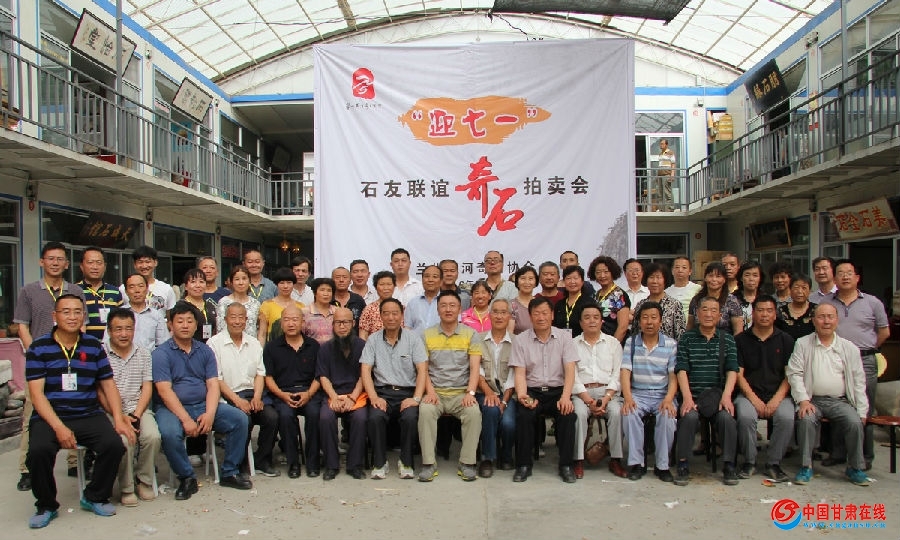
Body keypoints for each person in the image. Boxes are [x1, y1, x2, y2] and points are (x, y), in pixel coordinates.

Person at [24, 294, 131, 528]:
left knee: (114, 445)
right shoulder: (39, 347)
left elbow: (108, 384)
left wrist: (118, 417)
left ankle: (95, 496)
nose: (72, 317)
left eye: (77, 312)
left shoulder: (93, 346)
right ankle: (46, 505)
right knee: (39, 451)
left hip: (87, 413)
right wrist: (59, 428)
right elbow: (37, 395)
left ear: (83, 316)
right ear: (55, 316)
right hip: (51, 416)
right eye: (66, 312)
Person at [153, 302, 252, 499]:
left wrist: (210, 413)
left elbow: (213, 385)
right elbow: (164, 391)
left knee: (240, 419)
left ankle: (229, 472)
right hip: (172, 409)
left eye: (190, 321)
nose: (185, 325)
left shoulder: (205, 351)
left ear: (196, 325)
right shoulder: (161, 354)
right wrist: (185, 419)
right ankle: (187, 477)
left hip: (203, 405)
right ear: (170, 325)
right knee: (170, 433)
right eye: (180, 321)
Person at [13, 242, 87, 491]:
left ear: (66, 264)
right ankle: (27, 468)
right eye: (51, 258)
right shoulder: (29, 291)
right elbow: (22, 325)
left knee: (74, 408)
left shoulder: (75, 290)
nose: (55, 263)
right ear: (42, 262)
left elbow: (82, 324)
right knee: (32, 413)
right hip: (41, 363)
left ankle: (74, 461)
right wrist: (36, 352)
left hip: (70, 361)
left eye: (60, 259)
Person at [786, 303, 870, 487]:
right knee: (806, 420)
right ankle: (806, 466)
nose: (826, 321)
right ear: (813, 320)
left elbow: (859, 381)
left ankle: (855, 467)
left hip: (840, 401)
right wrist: (803, 400)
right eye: (821, 317)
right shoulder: (803, 343)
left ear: (837, 320)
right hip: (812, 400)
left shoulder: (849, 348)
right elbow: (794, 374)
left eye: (830, 317)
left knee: (855, 422)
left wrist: (862, 410)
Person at [823, 259, 889, 471]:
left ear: (857, 277)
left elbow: (884, 332)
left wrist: (867, 348)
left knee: (864, 407)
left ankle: (864, 455)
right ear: (834, 278)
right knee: (837, 405)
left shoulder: (872, 302)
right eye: (840, 273)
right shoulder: (827, 303)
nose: (845, 276)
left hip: (864, 359)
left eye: (849, 273)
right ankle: (838, 452)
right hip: (835, 359)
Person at [510, 297, 579, 483]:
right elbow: (519, 373)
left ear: (552, 315)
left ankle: (566, 465)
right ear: (530, 316)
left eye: (545, 313)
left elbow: (570, 370)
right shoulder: (520, 340)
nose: (541, 317)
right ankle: (523, 465)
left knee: (568, 415)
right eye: (536, 314)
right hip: (532, 390)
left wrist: (566, 397)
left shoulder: (564, 337)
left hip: (558, 391)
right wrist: (523, 395)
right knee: (524, 415)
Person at [673, 297, 740, 487]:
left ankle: (729, 465)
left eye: (713, 310)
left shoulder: (727, 339)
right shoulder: (687, 338)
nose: (709, 314)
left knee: (726, 418)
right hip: (693, 396)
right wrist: (687, 398)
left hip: (717, 397)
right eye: (704, 309)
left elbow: (732, 369)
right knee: (689, 417)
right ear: (697, 313)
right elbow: (681, 369)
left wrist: (726, 397)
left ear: (720, 315)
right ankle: (683, 464)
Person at [417, 290, 483, 482]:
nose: (448, 309)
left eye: (452, 305)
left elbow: (475, 368)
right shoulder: (426, 335)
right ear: (437, 310)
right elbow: (423, 369)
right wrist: (430, 392)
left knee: (473, 413)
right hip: (435, 392)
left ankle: (467, 463)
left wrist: (470, 392)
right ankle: (429, 464)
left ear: (460, 309)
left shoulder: (471, 334)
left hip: (461, 393)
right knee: (426, 411)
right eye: (443, 305)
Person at [360, 298, 429, 479]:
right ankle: (379, 463)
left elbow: (422, 369)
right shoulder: (373, 339)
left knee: (410, 418)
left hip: (407, 392)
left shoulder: (413, 338)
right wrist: (374, 397)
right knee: (375, 417)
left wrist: (416, 398)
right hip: (382, 392)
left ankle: (406, 462)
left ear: (401, 315)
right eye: (386, 313)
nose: (391, 317)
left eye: (395, 313)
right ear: (381, 316)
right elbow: (365, 370)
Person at [207, 302, 279, 477]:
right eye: (233, 317)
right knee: (243, 419)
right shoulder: (214, 343)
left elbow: (260, 374)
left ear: (247, 320)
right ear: (225, 320)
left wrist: (257, 397)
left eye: (241, 317)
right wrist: (237, 401)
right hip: (228, 396)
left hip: (252, 393)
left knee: (272, 417)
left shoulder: (253, 343)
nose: (237, 321)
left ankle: (262, 459)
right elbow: (216, 378)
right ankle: (239, 462)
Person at [734, 296, 795, 483]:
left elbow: (789, 376)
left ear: (775, 315)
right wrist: (754, 399)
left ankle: (773, 463)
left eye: (769, 311)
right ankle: (750, 461)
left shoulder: (785, 340)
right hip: (748, 394)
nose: (764, 315)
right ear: (753, 314)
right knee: (745, 416)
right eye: (760, 310)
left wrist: (776, 400)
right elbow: (738, 375)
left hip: (778, 394)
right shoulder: (741, 340)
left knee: (787, 417)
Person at [103, 308, 160, 505]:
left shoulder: (143, 353)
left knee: (152, 436)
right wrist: (119, 415)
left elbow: (147, 386)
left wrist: (136, 414)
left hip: (138, 408)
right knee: (124, 440)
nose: (124, 334)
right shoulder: (101, 355)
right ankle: (126, 488)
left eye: (128, 329)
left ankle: (143, 480)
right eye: (118, 329)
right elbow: (100, 392)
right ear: (109, 331)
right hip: (111, 411)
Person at [621, 302, 678, 482]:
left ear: (660, 321)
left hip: (662, 394)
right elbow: (625, 372)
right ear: (639, 321)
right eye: (645, 318)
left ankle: (662, 466)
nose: (649, 322)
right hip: (638, 393)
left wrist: (668, 399)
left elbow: (673, 377)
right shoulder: (631, 343)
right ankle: (637, 463)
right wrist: (628, 397)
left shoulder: (670, 344)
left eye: (654, 317)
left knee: (667, 416)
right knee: (629, 413)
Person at [263, 306, 322, 478]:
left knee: (314, 414)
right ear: (281, 323)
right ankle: (293, 462)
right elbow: (268, 378)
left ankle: (313, 462)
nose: (291, 323)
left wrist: (308, 394)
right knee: (285, 416)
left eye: (295, 319)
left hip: (309, 392)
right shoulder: (271, 347)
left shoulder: (313, 346)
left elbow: (320, 376)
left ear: (302, 322)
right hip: (283, 393)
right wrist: (282, 395)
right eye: (287, 320)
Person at [572, 303, 626, 479]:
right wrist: (588, 401)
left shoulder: (613, 343)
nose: (592, 321)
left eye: (596, 317)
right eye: (587, 318)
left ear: (602, 321)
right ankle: (578, 460)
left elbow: (617, 374)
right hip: (582, 393)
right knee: (579, 414)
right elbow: (572, 377)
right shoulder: (572, 344)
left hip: (608, 393)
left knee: (617, 413)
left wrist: (607, 398)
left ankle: (615, 459)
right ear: (581, 323)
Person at [316, 308, 367, 480]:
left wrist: (352, 397)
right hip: (333, 394)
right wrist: (334, 397)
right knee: (325, 418)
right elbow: (323, 376)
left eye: (346, 322)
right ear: (333, 325)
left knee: (360, 418)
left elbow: (364, 375)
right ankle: (331, 465)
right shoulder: (325, 348)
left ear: (353, 324)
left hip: (356, 395)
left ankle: (355, 465)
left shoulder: (362, 346)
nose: (342, 326)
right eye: (338, 322)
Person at [474, 299, 517, 476]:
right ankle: (487, 458)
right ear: (489, 315)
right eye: (495, 312)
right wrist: (489, 393)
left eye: (503, 312)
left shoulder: (517, 342)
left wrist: (504, 401)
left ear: (509, 316)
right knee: (490, 410)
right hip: (484, 391)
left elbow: (515, 375)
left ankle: (506, 456)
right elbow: (476, 370)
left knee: (508, 423)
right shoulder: (478, 339)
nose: (499, 316)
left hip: (508, 393)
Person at [630, 262, 686, 341]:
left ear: (665, 280)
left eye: (658, 277)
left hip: (669, 348)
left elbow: (681, 335)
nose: (654, 281)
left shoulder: (675, 305)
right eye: (651, 277)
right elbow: (634, 332)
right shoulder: (641, 305)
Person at [77, 247, 123, 341]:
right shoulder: (75, 291)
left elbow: (121, 321)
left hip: (111, 346)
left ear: (105, 266)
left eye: (99, 263)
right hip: (85, 345)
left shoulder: (115, 292)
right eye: (90, 262)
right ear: (81, 266)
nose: (95, 267)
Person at [113, 274, 168, 352]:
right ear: (126, 291)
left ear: (147, 289)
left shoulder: (156, 316)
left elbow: (163, 345)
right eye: (132, 287)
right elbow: (108, 343)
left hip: (150, 358)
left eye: (141, 286)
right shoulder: (116, 315)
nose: (137, 290)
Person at [686, 262, 742, 335]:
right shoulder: (696, 300)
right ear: (705, 278)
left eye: (718, 276)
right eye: (710, 276)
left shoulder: (732, 301)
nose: (714, 279)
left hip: (725, 340)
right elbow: (690, 327)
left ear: (724, 279)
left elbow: (738, 330)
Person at [119, 246, 176, 313]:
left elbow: (170, 317)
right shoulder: (123, 289)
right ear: (134, 264)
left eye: (148, 262)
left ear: (155, 262)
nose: (144, 266)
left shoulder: (166, 289)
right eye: (140, 262)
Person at [588, 256, 631, 342]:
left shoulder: (619, 295)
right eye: (598, 272)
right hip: (596, 342)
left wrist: (612, 346)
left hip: (613, 342)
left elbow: (622, 327)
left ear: (613, 272)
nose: (602, 275)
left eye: (606, 272)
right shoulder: (595, 295)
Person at [216, 265, 263, 341]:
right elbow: (220, 329)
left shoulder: (256, 304)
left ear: (249, 281)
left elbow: (259, 329)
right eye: (237, 279)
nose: (241, 283)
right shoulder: (223, 302)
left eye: (244, 279)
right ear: (231, 282)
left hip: (250, 345)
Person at [259, 267, 303, 343]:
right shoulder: (267, 305)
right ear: (276, 284)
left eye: (289, 282)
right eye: (282, 283)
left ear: (293, 284)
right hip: (273, 346)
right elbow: (262, 333)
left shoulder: (301, 306)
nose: (285, 286)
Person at [553, 265, 595, 338]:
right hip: (561, 343)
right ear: (564, 282)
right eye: (568, 278)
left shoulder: (589, 303)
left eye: (576, 278)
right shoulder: (559, 304)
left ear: (582, 281)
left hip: (582, 342)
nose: (572, 282)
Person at [181, 268, 218, 343]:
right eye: (193, 282)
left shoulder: (210, 305)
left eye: (201, 282)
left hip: (208, 346)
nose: (198, 285)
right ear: (186, 286)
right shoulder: (181, 306)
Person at [775, 274, 817, 340]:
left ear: (810, 291)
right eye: (796, 287)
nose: (800, 291)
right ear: (790, 290)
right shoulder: (780, 312)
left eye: (804, 288)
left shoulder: (816, 310)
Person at [404, 264, 442, 336]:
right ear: (422, 280)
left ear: (441, 281)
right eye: (427, 276)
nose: (430, 280)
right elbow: (408, 328)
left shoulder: (447, 302)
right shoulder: (413, 303)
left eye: (435, 277)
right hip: (416, 342)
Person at [358, 271, 396, 340]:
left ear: (394, 286)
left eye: (389, 284)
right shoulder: (369, 309)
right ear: (376, 287)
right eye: (382, 284)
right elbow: (363, 336)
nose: (385, 288)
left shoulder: (402, 308)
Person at [302, 277, 338, 344]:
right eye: (322, 290)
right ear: (314, 293)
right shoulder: (304, 312)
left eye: (329, 290)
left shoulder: (338, 312)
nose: (326, 294)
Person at [665, 256, 701, 321]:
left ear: (690, 271)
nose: (680, 270)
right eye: (677, 267)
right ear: (672, 271)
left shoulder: (698, 289)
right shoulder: (666, 292)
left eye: (684, 267)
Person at [734, 261, 765, 331]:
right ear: (741, 278)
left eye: (755, 275)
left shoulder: (765, 300)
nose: (751, 279)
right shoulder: (732, 299)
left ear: (760, 278)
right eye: (747, 275)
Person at [510, 266, 537, 335]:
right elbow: (510, 333)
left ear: (535, 283)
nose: (527, 282)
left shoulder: (541, 304)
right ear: (517, 283)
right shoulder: (511, 305)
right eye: (523, 278)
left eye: (530, 279)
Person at [656, 138, 676, 210]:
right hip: (660, 174)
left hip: (666, 174)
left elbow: (673, 164)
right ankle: (661, 208)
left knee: (667, 192)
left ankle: (670, 208)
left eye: (662, 144)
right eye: (660, 144)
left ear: (666, 145)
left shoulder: (670, 153)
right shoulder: (660, 154)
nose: (661, 145)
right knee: (659, 192)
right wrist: (657, 176)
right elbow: (660, 164)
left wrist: (672, 174)